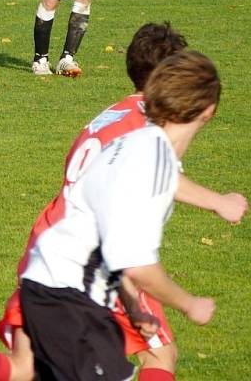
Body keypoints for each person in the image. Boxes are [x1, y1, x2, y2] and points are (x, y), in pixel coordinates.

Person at [0, 23, 248, 381]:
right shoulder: (148, 135)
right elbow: (138, 251)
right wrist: (191, 298)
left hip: (52, 245)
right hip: (74, 273)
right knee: (159, 355)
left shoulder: (114, 116)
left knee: (25, 367)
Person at [18, 49, 222, 380]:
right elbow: (137, 266)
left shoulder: (135, 143)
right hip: (66, 293)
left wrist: (133, 306)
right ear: (208, 111)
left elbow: (113, 248)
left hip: (58, 282)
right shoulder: (155, 159)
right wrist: (189, 304)